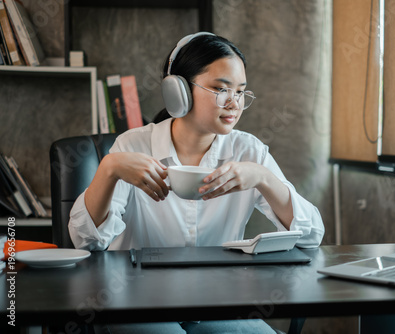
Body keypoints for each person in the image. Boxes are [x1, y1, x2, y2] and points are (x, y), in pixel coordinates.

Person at [69, 32, 324, 334]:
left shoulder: (249, 151)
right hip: (137, 303)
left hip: (218, 304)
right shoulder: (134, 144)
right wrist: (109, 169)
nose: (234, 103)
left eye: (241, 92)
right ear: (179, 91)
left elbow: (311, 237)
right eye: (221, 89)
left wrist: (265, 179)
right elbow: (85, 242)